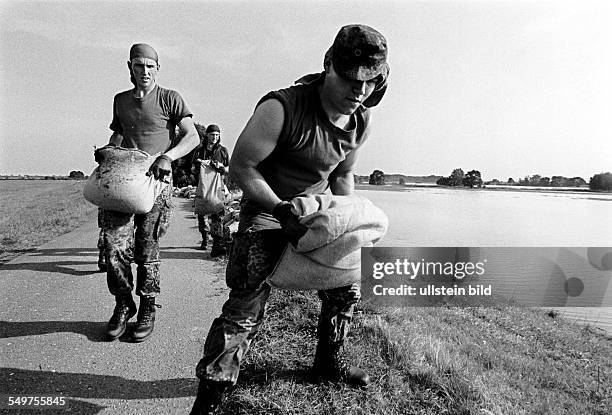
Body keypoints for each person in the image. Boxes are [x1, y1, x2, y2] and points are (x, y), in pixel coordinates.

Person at [190, 24, 389, 414]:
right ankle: (210, 396)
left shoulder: (360, 121)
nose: (359, 91)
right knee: (244, 307)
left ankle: (328, 365)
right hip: (267, 214)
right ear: (328, 64)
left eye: (370, 82)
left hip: (313, 218)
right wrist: (281, 208)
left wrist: (346, 223)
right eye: (350, 79)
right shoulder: (281, 107)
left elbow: (343, 175)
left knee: (347, 287)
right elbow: (243, 168)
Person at [95, 43, 199, 342]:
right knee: (114, 247)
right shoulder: (121, 101)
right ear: (130, 67)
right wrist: (109, 152)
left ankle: (148, 307)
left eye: (150, 66)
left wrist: (167, 157)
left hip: (155, 183)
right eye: (138, 65)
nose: (144, 71)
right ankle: (123, 304)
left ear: (157, 68)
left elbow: (191, 136)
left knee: (146, 248)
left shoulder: (170, 98)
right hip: (124, 182)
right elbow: (120, 133)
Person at [191, 124, 231, 256]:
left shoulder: (223, 151)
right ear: (207, 135)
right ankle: (204, 238)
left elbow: (228, 169)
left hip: (218, 186)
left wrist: (220, 167)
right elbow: (192, 169)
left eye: (217, 135)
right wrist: (198, 164)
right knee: (202, 213)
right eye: (212, 134)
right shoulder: (199, 150)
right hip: (202, 186)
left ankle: (217, 244)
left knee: (217, 214)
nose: (214, 137)